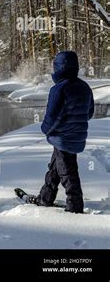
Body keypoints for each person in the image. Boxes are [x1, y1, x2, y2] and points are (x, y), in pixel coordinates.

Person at [33, 51, 94, 213]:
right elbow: (89, 113)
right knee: (55, 168)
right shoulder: (84, 87)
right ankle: (45, 198)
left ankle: (75, 206)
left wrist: (45, 130)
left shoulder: (59, 89)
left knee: (67, 172)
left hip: (62, 138)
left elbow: (53, 117)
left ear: (58, 67)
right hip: (76, 136)